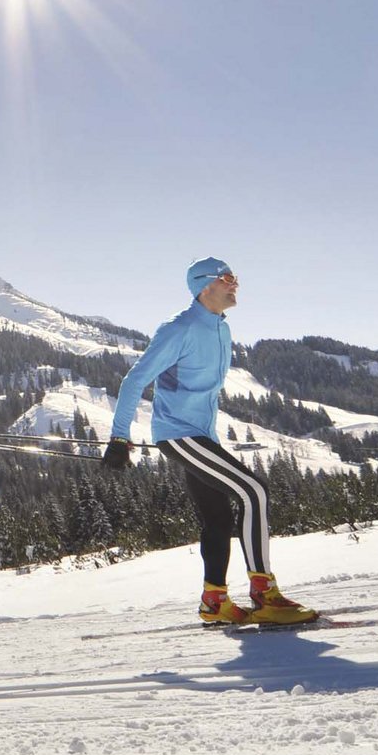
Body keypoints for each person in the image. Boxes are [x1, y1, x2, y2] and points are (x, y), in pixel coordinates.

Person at [100, 257, 316, 626]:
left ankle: (214, 601)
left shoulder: (220, 328)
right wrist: (120, 437)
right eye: (227, 278)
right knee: (254, 491)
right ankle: (264, 594)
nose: (236, 284)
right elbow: (134, 380)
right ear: (205, 286)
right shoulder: (179, 328)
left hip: (201, 435)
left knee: (217, 518)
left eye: (236, 278)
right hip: (179, 433)